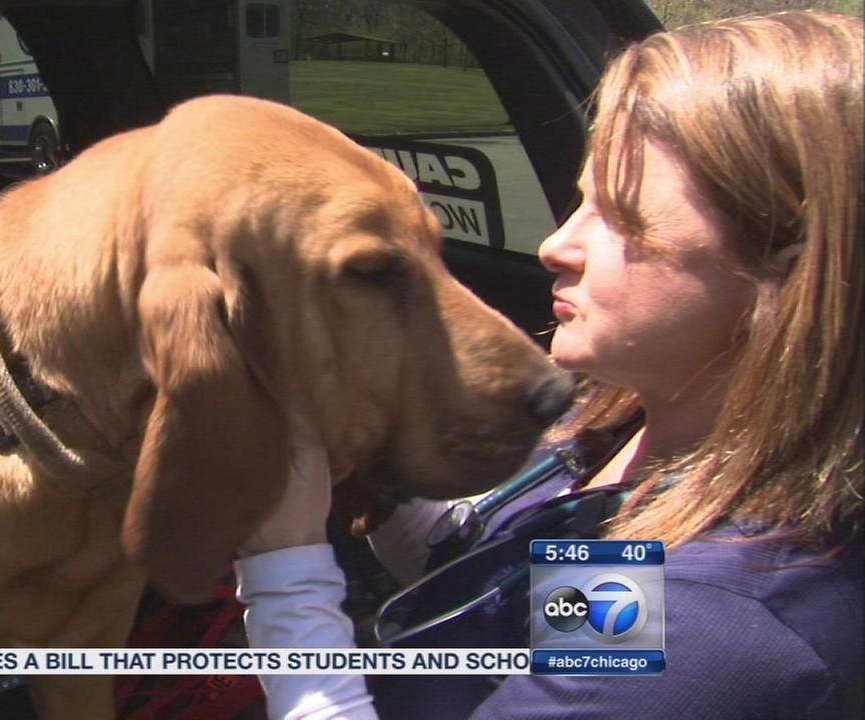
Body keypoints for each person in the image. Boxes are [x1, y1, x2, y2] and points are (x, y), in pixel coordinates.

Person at [233, 10, 863, 720]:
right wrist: (374, 452)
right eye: (582, 200)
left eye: (624, 220)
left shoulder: (705, 624)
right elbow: (505, 592)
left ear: (788, 279)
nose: (557, 245)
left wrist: (284, 565)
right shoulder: (642, 427)